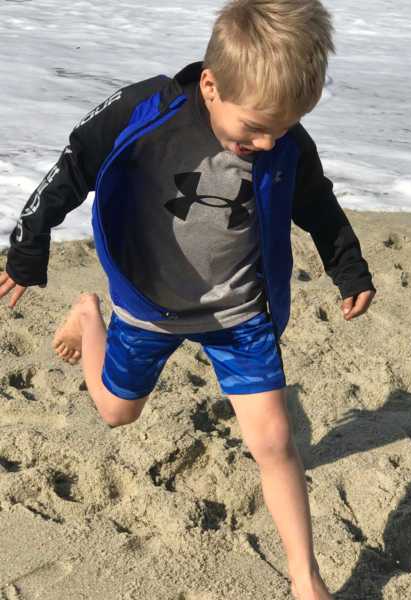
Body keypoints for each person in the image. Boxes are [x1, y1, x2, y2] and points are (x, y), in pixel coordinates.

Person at [0, 1, 376, 597]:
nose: (267, 140)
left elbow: (317, 202)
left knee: (275, 442)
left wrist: (348, 266)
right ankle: (87, 314)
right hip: (150, 304)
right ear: (210, 84)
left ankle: (307, 581)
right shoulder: (145, 111)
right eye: (255, 126)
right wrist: (29, 246)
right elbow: (72, 166)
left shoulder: (283, 138)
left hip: (239, 313)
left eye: (281, 127)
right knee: (117, 412)